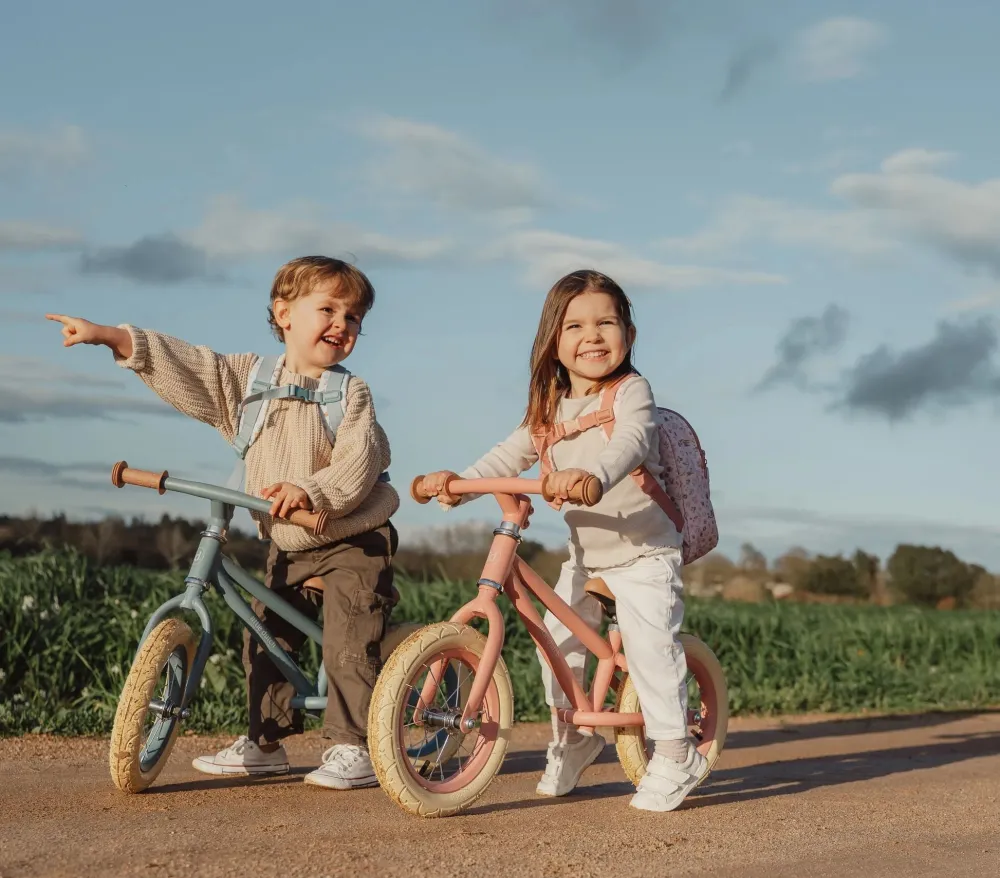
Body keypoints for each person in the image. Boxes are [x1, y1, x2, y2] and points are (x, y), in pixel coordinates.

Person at [47, 255, 398, 791]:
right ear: (283, 313)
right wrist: (112, 338)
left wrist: (310, 489)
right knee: (264, 634)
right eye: (327, 309)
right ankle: (265, 742)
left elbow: (360, 459)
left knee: (347, 633)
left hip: (351, 535)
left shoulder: (352, 394)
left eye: (352, 318)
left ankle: (353, 745)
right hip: (289, 540)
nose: (341, 325)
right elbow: (189, 366)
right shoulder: (248, 381)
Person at [419, 269, 704, 812]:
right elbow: (509, 455)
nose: (592, 336)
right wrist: (458, 482)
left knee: (649, 647)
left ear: (629, 334)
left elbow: (631, 439)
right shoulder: (548, 407)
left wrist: (594, 474)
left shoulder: (631, 392)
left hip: (645, 552)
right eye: (574, 325)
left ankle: (675, 750)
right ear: (553, 339)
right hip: (586, 555)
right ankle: (575, 738)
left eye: (606, 323)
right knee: (557, 646)